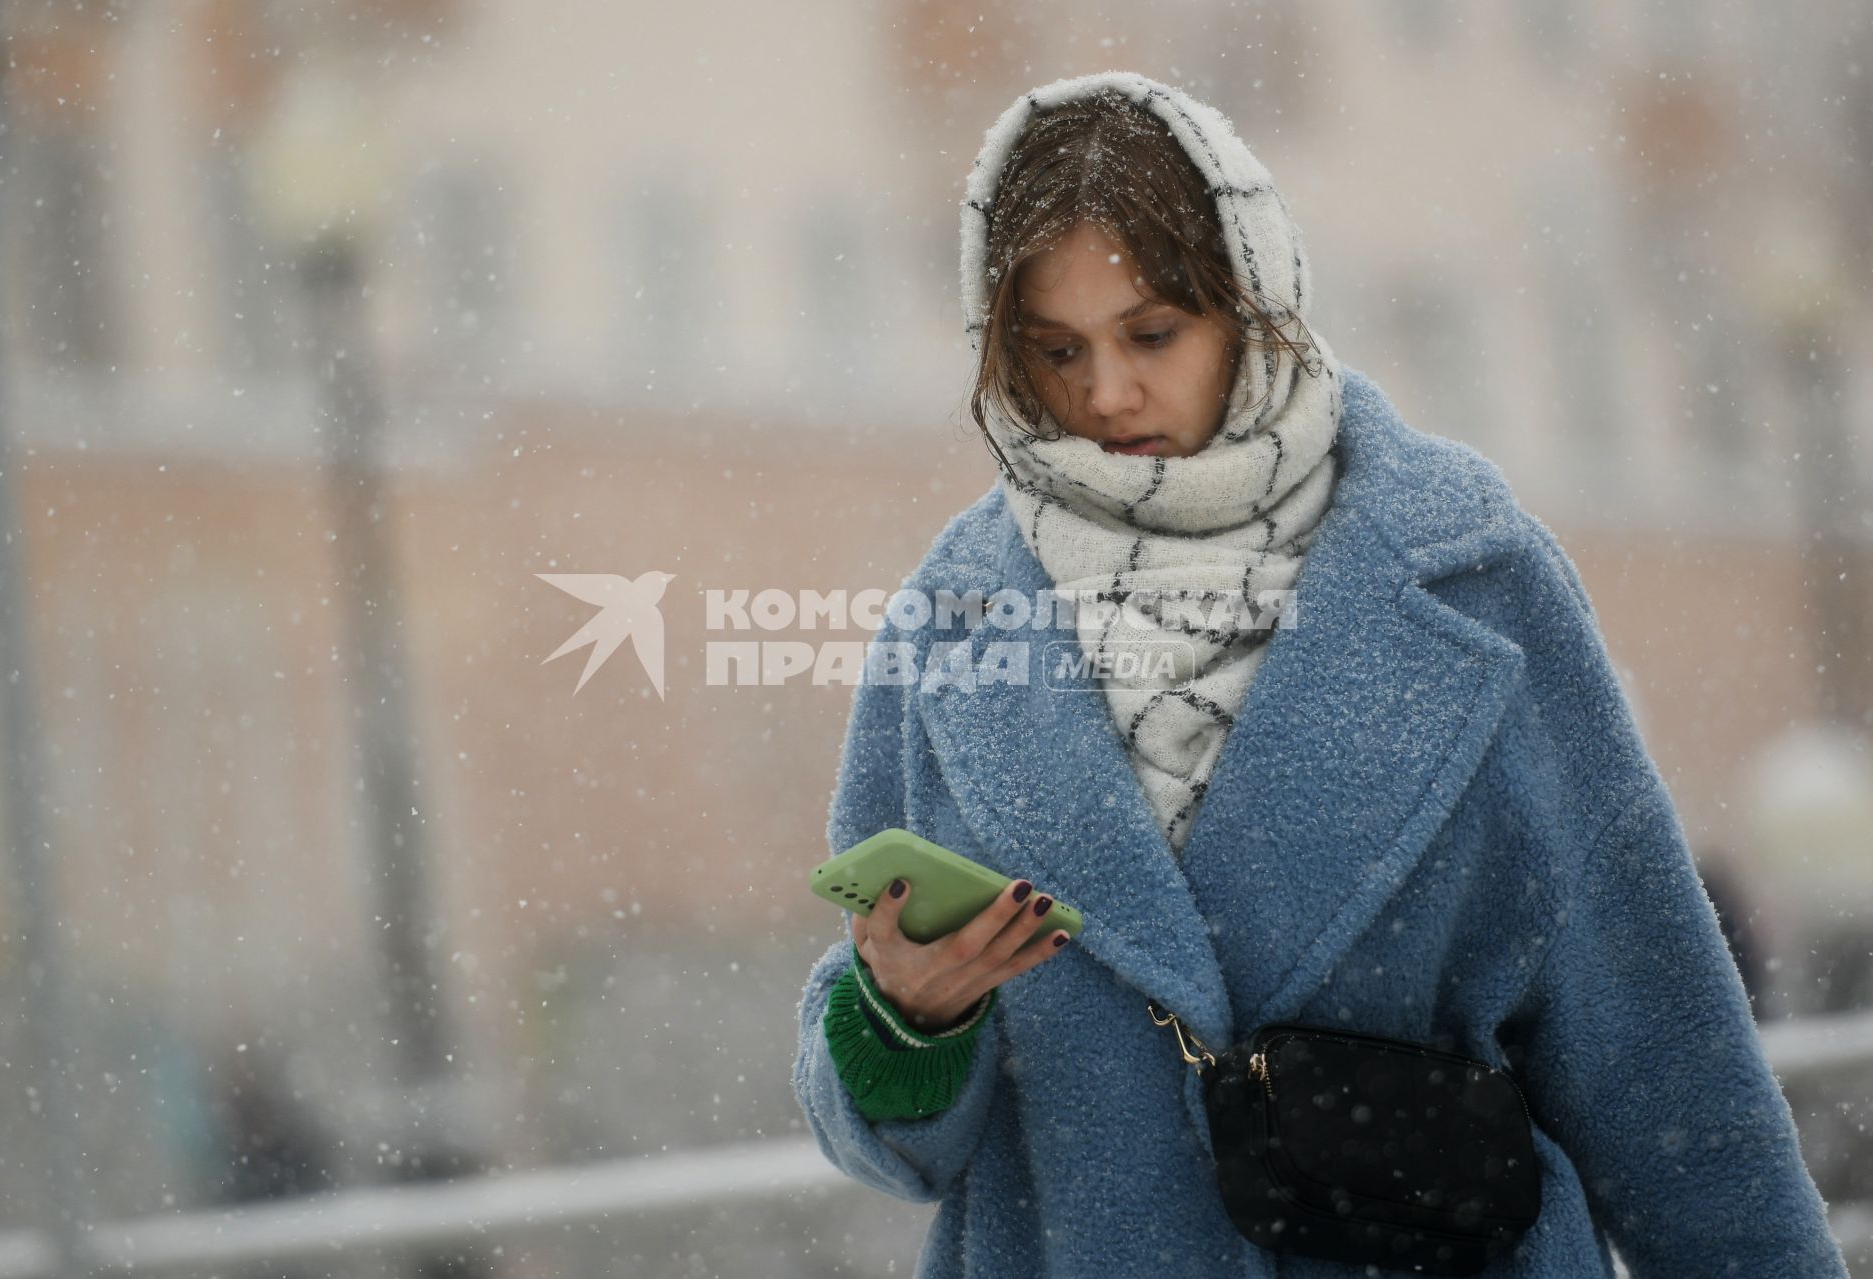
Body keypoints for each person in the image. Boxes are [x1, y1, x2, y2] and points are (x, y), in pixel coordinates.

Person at [789, 70, 1847, 1278]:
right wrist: (907, 1023)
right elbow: (886, 1142)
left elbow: (1666, 1061)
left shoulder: (1471, 576)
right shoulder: (956, 622)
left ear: (1253, 299)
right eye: (1055, 350)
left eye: (1152, 333)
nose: (1107, 393)